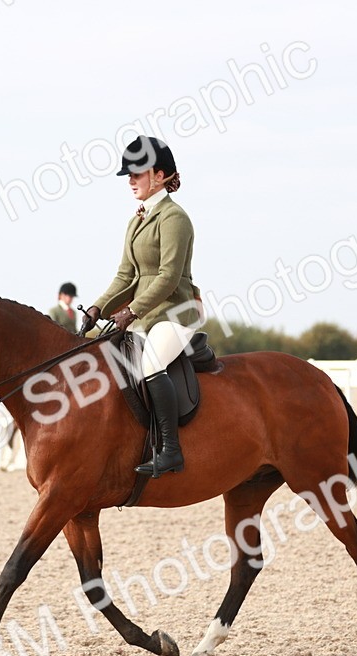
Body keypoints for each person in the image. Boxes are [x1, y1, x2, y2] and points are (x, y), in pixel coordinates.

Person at [79, 136, 201, 477]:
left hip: (174, 313)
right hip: (142, 315)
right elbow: (125, 275)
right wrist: (97, 308)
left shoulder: (174, 218)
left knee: (149, 366)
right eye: (128, 175)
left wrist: (131, 311)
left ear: (160, 175)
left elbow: (168, 278)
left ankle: (171, 450)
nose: (130, 181)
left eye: (137, 174)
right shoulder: (136, 220)